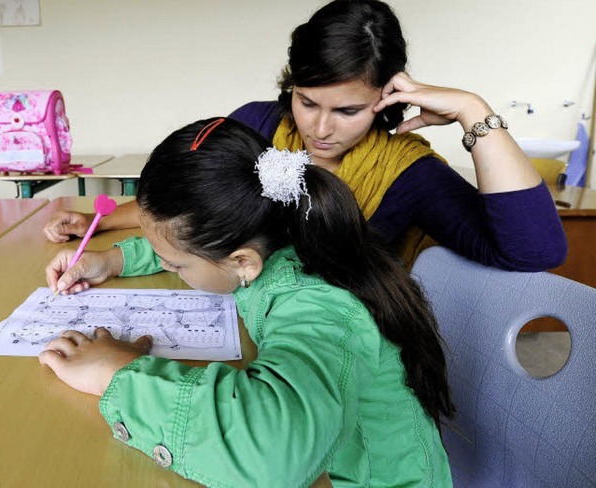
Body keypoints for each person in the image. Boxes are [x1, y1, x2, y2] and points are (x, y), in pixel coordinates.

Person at [40, 117, 455, 487]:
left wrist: (118, 372)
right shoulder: (280, 226)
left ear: (243, 262)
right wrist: (113, 259)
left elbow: (273, 450)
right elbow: (196, 247)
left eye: (175, 265)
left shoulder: (318, 303)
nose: (169, 265)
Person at [43, 0, 566, 272]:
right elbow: (199, 208)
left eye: (348, 110)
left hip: (327, 353)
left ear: (387, 98)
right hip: (240, 315)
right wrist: (98, 222)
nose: (319, 128)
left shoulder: (409, 173)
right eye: (307, 100)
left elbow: (532, 251)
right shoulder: (259, 123)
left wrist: (475, 112)